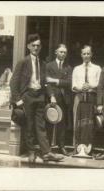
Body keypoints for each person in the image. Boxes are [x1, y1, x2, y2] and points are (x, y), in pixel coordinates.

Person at [10, 34, 64, 163]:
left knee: (41, 125)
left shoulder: (43, 63)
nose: (36, 47)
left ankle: (46, 152)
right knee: (29, 125)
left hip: (39, 96)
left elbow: (45, 83)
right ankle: (31, 152)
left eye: (38, 45)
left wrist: (51, 96)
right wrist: (18, 100)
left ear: (41, 47)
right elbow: (14, 82)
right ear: (28, 47)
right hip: (27, 96)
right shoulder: (23, 62)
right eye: (33, 45)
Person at [72, 45, 102, 154]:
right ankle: (78, 146)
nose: (86, 56)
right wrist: (81, 87)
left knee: (90, 122)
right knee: (78, 121)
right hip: (79, 97)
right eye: (84, 54)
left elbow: (99, 84)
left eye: (88, 53)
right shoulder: (76, 69)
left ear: (91, 54)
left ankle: (89, 146)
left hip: (91, 97)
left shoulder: (97, 68)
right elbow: (74, 85)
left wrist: (90, 86)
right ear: (81, 55)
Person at [46, 44, 73, 156]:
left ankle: (62, 146)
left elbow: (70, 83)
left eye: (65, 52)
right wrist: (51, 95)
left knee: (62, 123)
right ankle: (48, 147)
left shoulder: (68, 67)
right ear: (56, 52)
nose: (63, 54)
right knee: (50, 121)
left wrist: (56, 81)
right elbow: (47, 82)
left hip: (64, 98)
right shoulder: (49, 66)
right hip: (52, 98)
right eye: (61, 52)